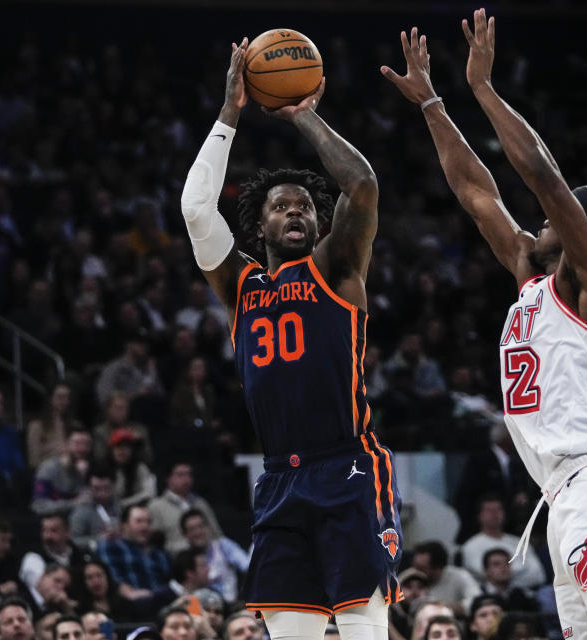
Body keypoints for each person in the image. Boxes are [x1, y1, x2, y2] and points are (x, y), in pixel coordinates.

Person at [382, 9, 587, 640]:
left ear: (580, 231)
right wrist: (432, 101)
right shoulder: (535, 280)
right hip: (564, 498)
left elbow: (541, 175)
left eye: (553, 220)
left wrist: (484, 90)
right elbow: (476, 192)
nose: (535, 226)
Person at [179, 37, 401, 640]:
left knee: (361, 625)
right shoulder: (240, 285)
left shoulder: (336, 269)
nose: (297, 211)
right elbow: (196, 209)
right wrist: (230, 114)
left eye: (305, 205)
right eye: (282, 206)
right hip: (280, 478)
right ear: (260, 223)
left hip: (347, 467)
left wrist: (302, 114)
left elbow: (362, 187)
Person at [96, 505, 169, 600]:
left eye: (148, 522)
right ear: (124, 525)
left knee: (191, 602)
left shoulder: (159, 552)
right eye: (139, 521)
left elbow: (173, 583)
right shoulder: (111, 546)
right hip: (132, 605)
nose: (145, 527)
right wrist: (128, 592)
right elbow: (114, 580)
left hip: (166, 604)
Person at [147, 463, 222, 554]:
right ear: (168, 479)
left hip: (209, 558)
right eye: (180, 475)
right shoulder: (156, 507)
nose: (186, 479)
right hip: (177, 560)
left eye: (189, 474)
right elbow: (156, 544)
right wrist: (189, 544)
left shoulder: (201, 503)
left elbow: (217, 535)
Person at [178, 509, 249, 603]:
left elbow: (248, 566)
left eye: (201, 526)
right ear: (185, 534)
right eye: (192, 529)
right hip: (200, 608)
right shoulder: (183, 559)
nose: (198, 532)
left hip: (232, 604)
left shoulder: (223, 545)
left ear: (208, 527)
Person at [31, 428, 93, 516]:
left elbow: (91, 503)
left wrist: (83, 477)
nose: (82, 448)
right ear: (66, 445)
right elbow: (39, 506)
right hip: (55, 520)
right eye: (77, 443)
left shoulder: (92, 469)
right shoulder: (49, 468)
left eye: (86, 444)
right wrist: (74, 504)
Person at [27, 382, 83, 469]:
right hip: (47, 473)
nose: (65, 402)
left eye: (67, 397)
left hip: (72, 470)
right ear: (50, 399)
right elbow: (34, 461)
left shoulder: (76, 425)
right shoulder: (37, 426)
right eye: (60, 397)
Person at [69, 467, 122, 550]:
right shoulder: (81, 511)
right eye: (97, 489)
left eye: (106, 488)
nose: (102, 493)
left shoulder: (118, 506)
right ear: (89, 488)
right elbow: (73, 541)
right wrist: (98, 540)